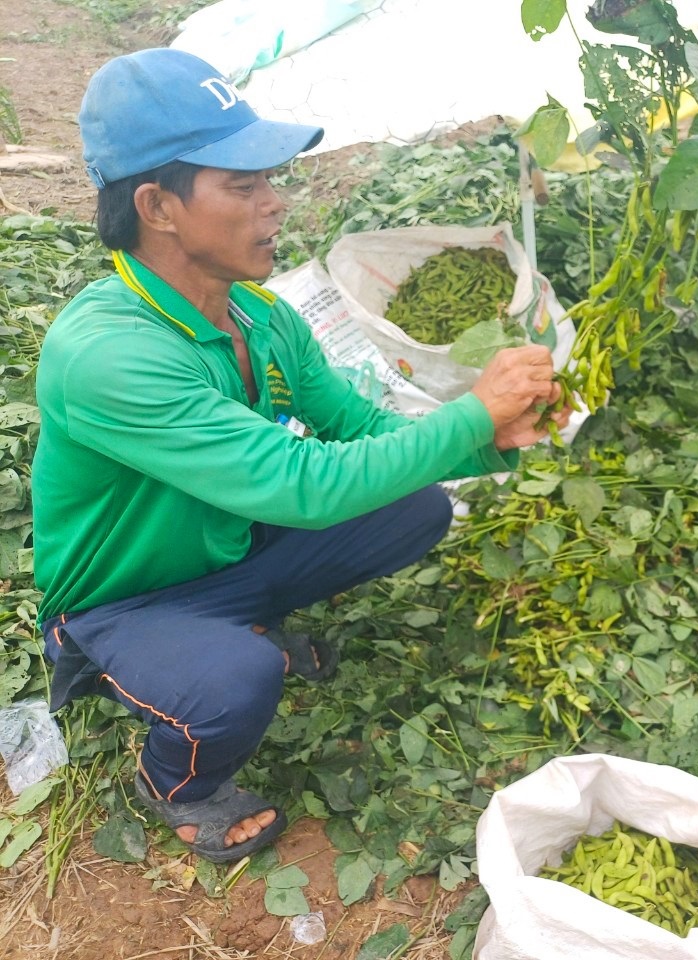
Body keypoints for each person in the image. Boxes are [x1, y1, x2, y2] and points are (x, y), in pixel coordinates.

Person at [31, 48, 569, 863]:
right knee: (235, 683)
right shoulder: (107, 352)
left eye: (270, 181)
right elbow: (298, 484)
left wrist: (488, 431)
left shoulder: (260, 316)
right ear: (157, 206)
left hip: (231, 547)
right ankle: (176, 781)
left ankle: (241, 619)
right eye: (244, 187)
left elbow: (356, 426)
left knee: (418, 504)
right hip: (130, 602)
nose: (275, 205)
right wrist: (467, 415)